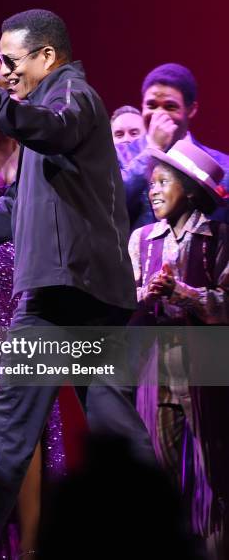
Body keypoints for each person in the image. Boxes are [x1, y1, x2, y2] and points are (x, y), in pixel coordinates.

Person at [0, 8, 156, 558]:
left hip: (65, 295)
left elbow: (52, 129)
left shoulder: (74, 98)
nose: (7, 73)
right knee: (102, 423)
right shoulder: (46, 120)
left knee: (14, 424)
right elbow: (12, 211)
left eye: (12, 62)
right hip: (74, 294)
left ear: (47, 55)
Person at [128, 140, 229, 556]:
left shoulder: (218, 237)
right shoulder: (141, 239)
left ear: (188, 189)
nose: (153, 190)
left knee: (215, 469)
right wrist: (146, 295)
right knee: (157, 465)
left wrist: (181, 292)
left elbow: (224, 304)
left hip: (205, 358)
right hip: (157, 359)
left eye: (163, 182)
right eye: (150, 183)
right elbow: (127, 299)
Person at [121, 63, 229, 229]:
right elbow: (108, 206)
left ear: (191, 110)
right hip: (134, 253)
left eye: (170, 106)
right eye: (151, 105)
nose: (159, 114)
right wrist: (153, 149)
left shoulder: (221, 166)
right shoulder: (121, 156)